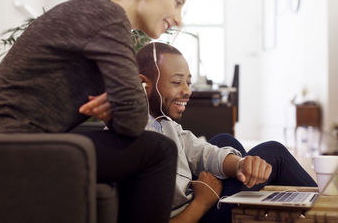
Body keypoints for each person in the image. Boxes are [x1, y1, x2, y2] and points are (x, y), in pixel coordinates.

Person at [0, 0, 191, 222]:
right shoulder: (107, 18)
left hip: (3, 144)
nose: (179, 19)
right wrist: (123, 105)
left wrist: (120, 107)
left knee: (148, 147)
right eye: (178, 2)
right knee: (159, 151)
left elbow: (129, 119)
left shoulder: (98, 11)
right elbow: (135, 119)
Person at [134, 42, 317, 223]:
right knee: (275, 152)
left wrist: (241, 165)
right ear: (144, 83)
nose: (187, 91)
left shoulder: (164, 124)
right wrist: (202, 202)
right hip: (195, 213)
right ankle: (326, 211)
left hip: (196, 200)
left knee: (225, 141)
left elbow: (201, 152)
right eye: (176, 82)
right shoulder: (133, 146)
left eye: (188, 83)